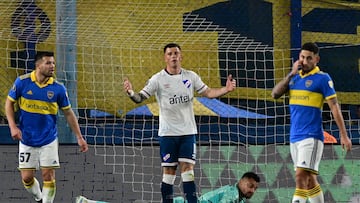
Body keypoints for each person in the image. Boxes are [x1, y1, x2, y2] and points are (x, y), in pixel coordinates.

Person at [123, 43, 236, 203]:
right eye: (169, 54)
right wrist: (131, 93)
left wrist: (226, 89)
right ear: (165, 58)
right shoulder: (158, 79)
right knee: (169, 174)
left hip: (188, 133)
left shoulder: (191, 76)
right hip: (168, 134)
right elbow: (140, 98)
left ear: (181, 56)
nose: (173, 56)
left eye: (176, 53)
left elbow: (209, 92)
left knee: (188, 172)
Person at [271, 42, 352, 203]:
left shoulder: (322, 79)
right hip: (294, 137)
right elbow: (275, 94)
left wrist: (344, 135)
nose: (305, 61)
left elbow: (335, 106)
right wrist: (291, 74)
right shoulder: (293, 79)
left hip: (312, 137)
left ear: (317, 59)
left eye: (309, 58)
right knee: (309, 182)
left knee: (300, 177)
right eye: (302, 57)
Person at [5, 51, 89, 203]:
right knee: (27, 178)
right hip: (27, 139)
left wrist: (79, 137)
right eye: (48, 63)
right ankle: (39, 198)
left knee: (48, 176)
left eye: (53, 63)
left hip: (48, 139)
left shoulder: (58, 88)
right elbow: (9, 103)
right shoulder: (22, 82)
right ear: (38, 65)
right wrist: (12, 126)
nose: (52, 67)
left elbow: (69, 113)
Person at [174, 171, 260, 203]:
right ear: (241, 181)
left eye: (255, 189)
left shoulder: (240, 200)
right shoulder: (232, 194)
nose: (252, 191)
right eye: (250, 186)